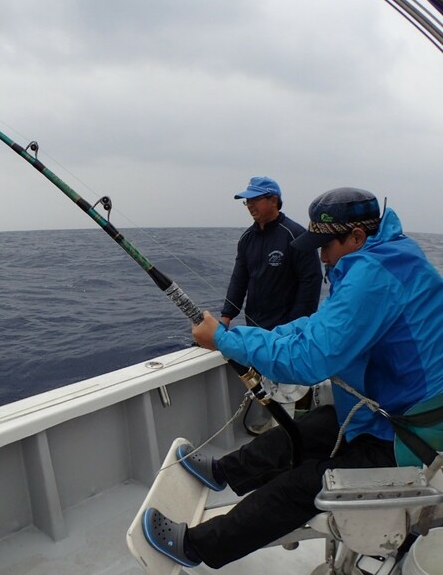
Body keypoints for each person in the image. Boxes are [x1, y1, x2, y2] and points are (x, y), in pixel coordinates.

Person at [143, 187, 443, 569]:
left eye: (325, 245)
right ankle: (223, 472)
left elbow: (310, 359)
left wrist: (221, 340)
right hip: (394, 414)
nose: (321, 255)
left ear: (356, 237)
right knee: (308, 428)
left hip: (414, 440)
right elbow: (316, 328)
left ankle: (197, 547)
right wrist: (233, 338)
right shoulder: (388, 257)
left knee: (303, 485)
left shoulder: (373, 276)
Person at [223, 176, 323, 431]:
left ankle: (299, 426)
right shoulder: (247, 239)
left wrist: (297, 323)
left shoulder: (295, 234)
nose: (249, 205)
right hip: (258, 326)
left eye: (255, 199)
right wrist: (226, 316)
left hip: (291, 327)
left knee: (294, 381)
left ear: (273, 200)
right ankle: (275, 423)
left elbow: (311, 282)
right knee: (265, 380)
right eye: (247, 201)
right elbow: (239, 279)